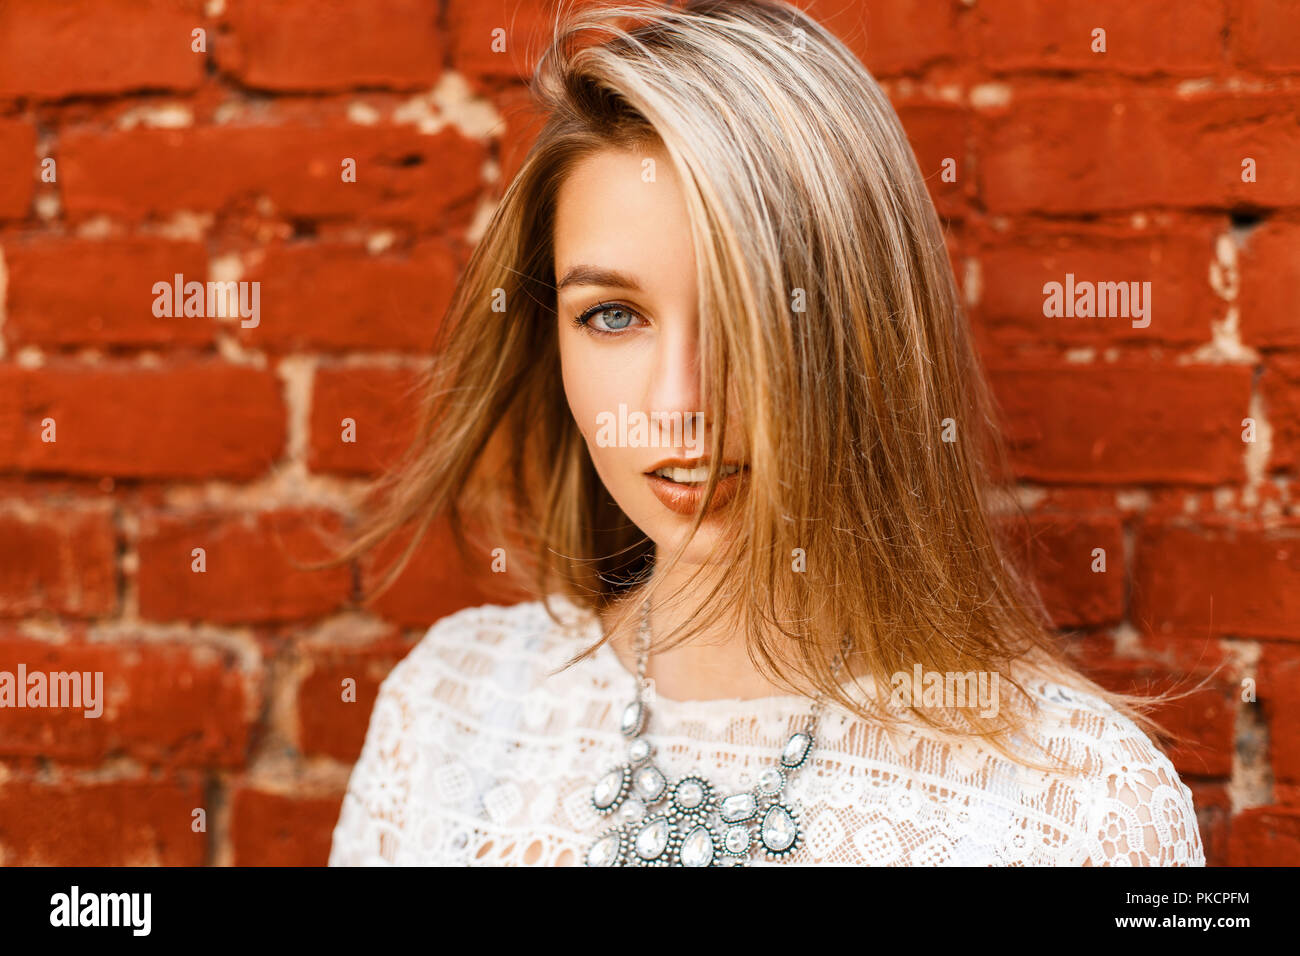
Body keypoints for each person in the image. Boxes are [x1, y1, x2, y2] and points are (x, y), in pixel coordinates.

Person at [327, 0, 1205, 866]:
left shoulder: (1079, 810)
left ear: (869, 327)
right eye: (613, 315)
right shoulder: (452, 713)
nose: (679, 403)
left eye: (746, 312)